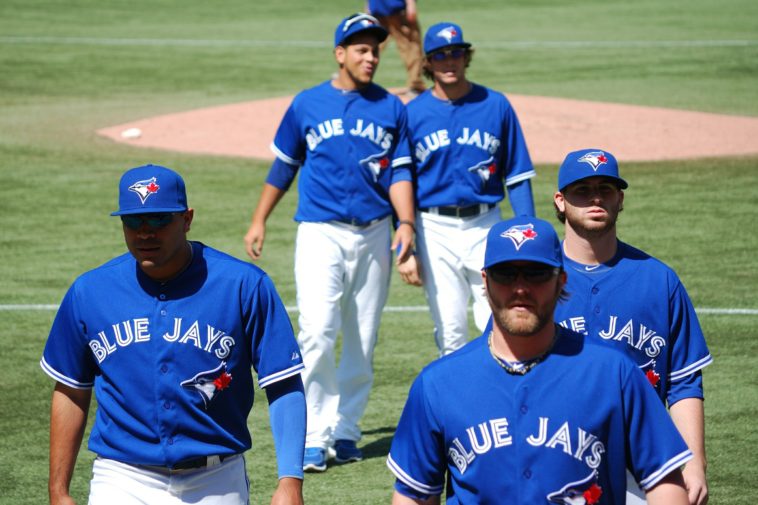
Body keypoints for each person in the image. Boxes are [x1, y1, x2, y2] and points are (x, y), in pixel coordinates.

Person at [40, 164, 306, 505]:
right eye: (133, 221)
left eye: (159, 219)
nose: (145, 233)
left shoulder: (243, 286)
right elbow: (70, 390)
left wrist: (290, 481)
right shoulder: (90, 292)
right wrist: (58, 490)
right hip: (121, 478)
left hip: (216, 479)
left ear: (187, 218)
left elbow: (283, 383)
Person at [387, 216, 693, 504]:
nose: (520, 288)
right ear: (485, 281)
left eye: (536, 274)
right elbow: (413, 495)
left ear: (561, 281)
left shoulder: (613, 373)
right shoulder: (438, 385)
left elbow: (664, 481)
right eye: (505, 274)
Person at [243, 13, 416, 473]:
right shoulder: (308, 104)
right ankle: (315, 434)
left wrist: (406, 224)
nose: (371, 57)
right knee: (316, 331)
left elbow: (399, 170)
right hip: (319, 232)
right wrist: (260, 219)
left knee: (362, 336)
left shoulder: (390, 107)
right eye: (361, 49)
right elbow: (284, 166)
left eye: (376, 49)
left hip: (376, 230)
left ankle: (347, 428)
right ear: (340, 54)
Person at [552, 148, 712, 505]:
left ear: (620, 198)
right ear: (561, 201)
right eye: (582, 189)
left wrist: (694, 461)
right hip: (555, 457)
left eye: (606, 188)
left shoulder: (658, 280)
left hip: (643, 459)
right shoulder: (535, 280)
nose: (596, 197)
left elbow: (684, 381)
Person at [399, 21, 536, 356]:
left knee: (499, 318)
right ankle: (458, 406)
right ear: (428, 62)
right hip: (433, 229)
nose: (450, 61)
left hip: (486, 224)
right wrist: (406, 247)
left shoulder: (496, 105)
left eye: (456, 53)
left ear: (466, 56)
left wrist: (528, 231)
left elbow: (517, 175)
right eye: (440, 55)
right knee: (450, 328)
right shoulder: (413, 114)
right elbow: (401, 183)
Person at [366, 0, 426, 97]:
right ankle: (416, 86)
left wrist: (410, 3)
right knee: (411, 48)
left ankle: (416, 85)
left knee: (368, 47)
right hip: (386, 10)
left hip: (388, 10)